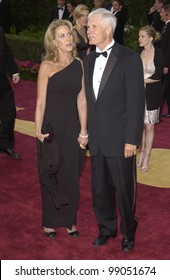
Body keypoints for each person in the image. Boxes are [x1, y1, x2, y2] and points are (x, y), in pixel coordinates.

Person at [83, 8, 145, 252]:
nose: (88, 30)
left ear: (108, 28)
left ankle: (129, 231)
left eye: (93, 26)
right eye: (88, 26)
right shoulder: (88, 60)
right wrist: (84, 132)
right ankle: (106, 229)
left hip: (121, 140)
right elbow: (89, 102)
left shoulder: (129, 58)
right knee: (100, 190)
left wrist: (132, 139)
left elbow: (136, 102)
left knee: (124, 190)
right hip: (97, 138)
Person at [35, 19, 88, 239]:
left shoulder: (79, 64)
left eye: (68, 34)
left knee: (71, 174)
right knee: (51, 175)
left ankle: (69, 220)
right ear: (54, 42)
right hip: (51, 130)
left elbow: (82, 100)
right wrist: (38, 131)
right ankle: (49, 222)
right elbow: (40, 102)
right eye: (62, 36)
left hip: (73, 128)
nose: (67, 39)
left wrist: (84, 131)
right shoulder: (47, 66)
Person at [137, 26, 164, 172]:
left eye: (142, 36)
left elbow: (158, 76)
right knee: (140, 125)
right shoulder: (137, 53)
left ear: (151, 38)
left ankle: (147, 156)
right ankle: (141, 153)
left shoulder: (159, 53)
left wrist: (139, 80)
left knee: (149, 126)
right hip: (138, 94)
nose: (139, 39)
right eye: (139, 36)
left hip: (152, 94)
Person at [0, 26, 20, 158]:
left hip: (1, 81)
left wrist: (14, 70)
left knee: (9, 112)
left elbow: (5, 49)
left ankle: (5, 145)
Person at [159, 4, 170, 118]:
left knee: (163, 87)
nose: (160, 14)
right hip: (164, 61)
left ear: (167, 14)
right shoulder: (166, 26)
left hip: (167, 63)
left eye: (161, 12)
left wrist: (166, 65)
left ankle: (158, 112)